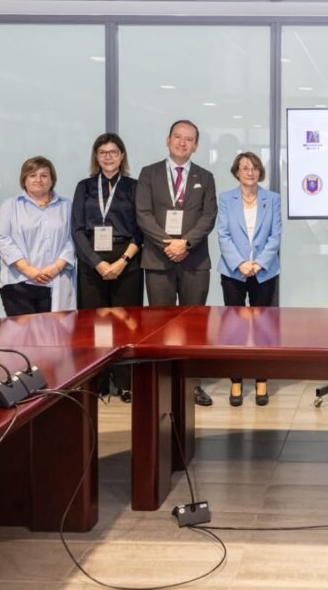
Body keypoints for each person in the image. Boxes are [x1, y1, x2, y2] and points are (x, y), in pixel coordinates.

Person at [136, 119, 218, 407]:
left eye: (189, 139)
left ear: (196, 145)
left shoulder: (205, 177)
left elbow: (209, 216)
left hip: (195, 260)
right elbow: (143, 214)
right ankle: (162, 386)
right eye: (178, 137)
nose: (182, 143)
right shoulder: (149, 173)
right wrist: (168, 244)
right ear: (167, 140)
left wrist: (186, 243)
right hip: (158, 260)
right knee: (160, 325)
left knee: (194, 327)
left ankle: (192, 385)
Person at [72, 133, 143, 400]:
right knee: (96, 325)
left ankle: (126, 382)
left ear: (122, 155)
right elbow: (77, 229)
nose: (108, 157)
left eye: (113, 152)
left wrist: (123, 261)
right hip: (92, 262)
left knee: (126, 325)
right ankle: (98, 381)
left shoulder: (135, 187)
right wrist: (97, 262)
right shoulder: (84, 187)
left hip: (127, 260)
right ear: (96, 156)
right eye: (102, 152)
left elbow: (141, 229)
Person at [217, 152, 282, 407]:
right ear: (237, 172)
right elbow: (223, 234)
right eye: (245, 168)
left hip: (264, 271)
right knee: (234, 328)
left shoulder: (272, 199)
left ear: (260, 172)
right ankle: (236, 380)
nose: (250, 172)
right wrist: (240, 263)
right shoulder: (226, 199)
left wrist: (259, 263)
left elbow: (275, 235)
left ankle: (261, 379)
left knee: (263, 328)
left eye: (254, 167)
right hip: (233, 271)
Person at [0, 156, 76, 315]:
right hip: (18, 282)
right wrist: (27, 268)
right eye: (32, 175)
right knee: (22, 330)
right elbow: (0, 237)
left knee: (54, 330)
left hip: (55, 281)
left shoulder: (66, 206)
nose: (38, 180)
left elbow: (73, 239)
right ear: (24, 179)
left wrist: (56, 267)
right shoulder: (10, 205)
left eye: (44, 175)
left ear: (52, 180)